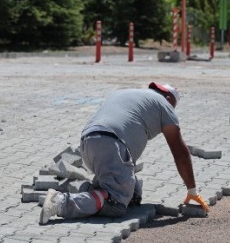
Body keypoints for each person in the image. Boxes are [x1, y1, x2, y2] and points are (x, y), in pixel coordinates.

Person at [40, 82, 210, 224]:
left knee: (134, 194)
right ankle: (61, 203)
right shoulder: (164, 105)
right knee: (117, 203)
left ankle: (97, 190)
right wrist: (192, 191)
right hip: (110, 146)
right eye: (173, 105)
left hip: (88, 144)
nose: (172, 111)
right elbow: (180, 152)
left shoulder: (128, 93)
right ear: (167, 98)